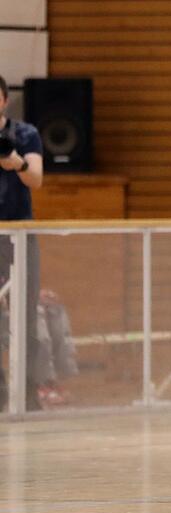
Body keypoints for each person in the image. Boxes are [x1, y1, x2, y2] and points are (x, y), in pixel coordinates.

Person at [0, 74, 44, 411]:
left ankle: (27, 392)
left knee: (24, 312)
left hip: (18, 234)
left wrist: (16, 163)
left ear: (4, 100)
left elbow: (37, 179)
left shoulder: (25, 134)